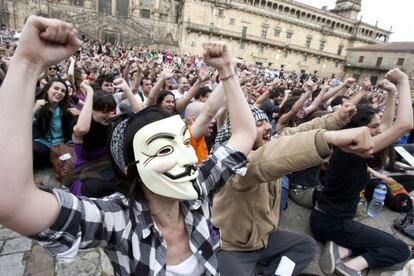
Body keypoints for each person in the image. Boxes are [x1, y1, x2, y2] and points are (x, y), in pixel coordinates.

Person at [0, 17, 256, 276]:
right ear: (129, 168)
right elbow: (13, 203)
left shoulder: (197, 188)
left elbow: (245, 134)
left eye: (185, 143)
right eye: (165, 149)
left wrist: (228, 71)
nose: (188, 157)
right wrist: (27, 63)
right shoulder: (119, 220)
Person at [212, 100, 375, 275]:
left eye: (267, 121)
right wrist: (327, 139)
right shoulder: (232, 166)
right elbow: (264, 161)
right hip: (232, 247)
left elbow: (299, 133)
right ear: (238, 136)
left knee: (305, 247)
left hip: (265, 239)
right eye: (258, 124)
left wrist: (337, 118)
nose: (268, 127)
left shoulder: (270, 143)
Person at [311, 72, 413, 276]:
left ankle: (341, 249)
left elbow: (386, 125)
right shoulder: (355, 149)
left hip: (327, 219)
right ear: (360, 129)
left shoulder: (349, 146)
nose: (378, 131)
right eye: (373, 128)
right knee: (400, 250)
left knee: (380, 240)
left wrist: (392, 93)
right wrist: (403, 82)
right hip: (333, 224)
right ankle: (350, 266)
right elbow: (404, 125)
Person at [69, 81, 118, 197]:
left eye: (110, 111)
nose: (108, 116)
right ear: (92, 110)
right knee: (97, 188)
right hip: (85, 172)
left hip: (106, 169)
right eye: (104, 112)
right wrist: (90, 93)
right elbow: (81, 129)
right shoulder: (79, 124)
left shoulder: (110, 125)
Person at [33, 78, 75, 169]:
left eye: (63, 91)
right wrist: (35, 109)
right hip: (42, 146)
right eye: (56, 88)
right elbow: (22, 128)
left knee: (71, 156)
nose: (59, 92)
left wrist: (78, 116)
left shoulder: (67, 110)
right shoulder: (36, 104)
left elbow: (73, 132)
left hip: (61, 147)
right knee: (31, 150)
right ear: (47, 90)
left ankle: (55, 161)